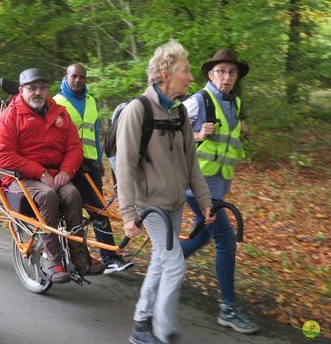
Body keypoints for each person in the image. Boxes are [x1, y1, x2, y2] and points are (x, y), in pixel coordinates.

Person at [115, 40, 214, 344]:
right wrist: (128, 213)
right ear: (164, 74)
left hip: (174, 203)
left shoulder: (180, 113)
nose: (190, 77)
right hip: (150, 207)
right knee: (174, 265)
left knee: (160, 262)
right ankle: (163, 331)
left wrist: (205, 201)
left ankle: (140, 325)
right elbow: (126, 166)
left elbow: (191, 164)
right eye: (185, 70)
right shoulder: (138, 110)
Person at [0, 67, 103, 284]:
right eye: (32, 88)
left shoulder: (59, 112)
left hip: (54, 175)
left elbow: (74, 147)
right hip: (21, 178)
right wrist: (40, 172)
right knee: (48, 196)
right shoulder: (10, 115)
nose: (38, 93)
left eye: (42, 88)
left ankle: (79, 256)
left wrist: (66, 171)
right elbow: (3, 155)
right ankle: (52, 259)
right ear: (22, 90)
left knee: (72, 193)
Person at [181, 49, 259, 334]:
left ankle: (165, 267)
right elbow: (164, 132)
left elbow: (229, 143)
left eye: (232, 72)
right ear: (210, 74)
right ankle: (228, 307)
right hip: (197, 189)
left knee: (202, 237)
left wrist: (241, 132)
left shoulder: (234, 104)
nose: (226, 77)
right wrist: (198, 134)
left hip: (218, 186)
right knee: (225, 240)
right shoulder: (198, 101)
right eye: (221, 71)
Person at [54, 63, 133, 274]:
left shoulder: (90, 101)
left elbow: (95, 133)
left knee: (98, 210)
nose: (78, 80)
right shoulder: (56, 102)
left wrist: (99, 161)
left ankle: (109, 256)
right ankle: (79, 256)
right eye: (74, 76)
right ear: (66, 76)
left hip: (90, 165)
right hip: (68, 167)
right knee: (72, 213)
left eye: (82, 77)